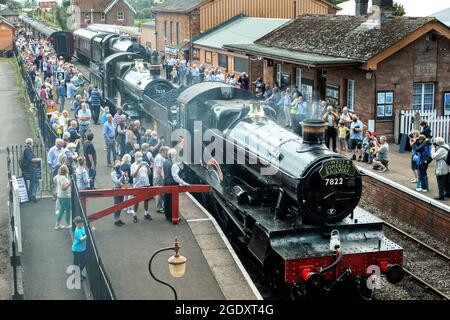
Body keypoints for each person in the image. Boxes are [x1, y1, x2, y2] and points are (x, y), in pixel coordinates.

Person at [163, 149, 189, 222]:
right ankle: (172, 217)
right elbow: (175, 177)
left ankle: (167, 216)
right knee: (172, 201)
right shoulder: (174, 165)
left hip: (166, 183)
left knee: (167, 200)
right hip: (172, 184)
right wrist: (184, 183)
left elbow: (163, 173)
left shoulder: (165, 162)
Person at [130, 151, 153, 223]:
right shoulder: (133, 165)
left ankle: (146, 213)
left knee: (146, 200)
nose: (140, 158)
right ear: (136, 157)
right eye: (139, 156)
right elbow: (133, 175)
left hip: (146, 184)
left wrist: (148, 167)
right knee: (136, 201)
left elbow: (149, 174)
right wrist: (139, 167)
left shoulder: (144, 163)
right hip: (137, 185)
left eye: (141, 156)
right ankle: (134, 215)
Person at [22, 138, 41, 202]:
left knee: (34, 182)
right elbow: (31, 159)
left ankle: (31, 196)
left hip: (32, 168)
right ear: (30, 143)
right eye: (32, 143)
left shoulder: (26, 149)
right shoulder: (27, 150)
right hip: (32, 168)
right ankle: (32, 196)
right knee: (34, 182)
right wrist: (38, 159)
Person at [54, 164, 72, 230]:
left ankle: (57, 224)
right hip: (65, 196)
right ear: (65, 171)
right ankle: (68, 224)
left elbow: (54, 180)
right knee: (68, 210)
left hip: (60, 196)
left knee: (61, 210)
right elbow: (63, 188)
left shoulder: (58, 176)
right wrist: (69, 183)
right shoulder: (63, 178)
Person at [153, 146, 169, 213]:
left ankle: (161, 206)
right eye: (166, 152)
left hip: (157, 177)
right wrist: (162, 176)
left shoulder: (159, 156)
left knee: (160, 192)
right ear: (162, 151)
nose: (167, 154)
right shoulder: (159, 158)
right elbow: (158, 169)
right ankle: (159, 208)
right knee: (159, 192)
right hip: (159, 177)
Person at [111, 160, 126, 226]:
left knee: (120, 204)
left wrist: (125, 177)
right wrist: (122, 177)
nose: (119, 165)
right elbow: (116, 181)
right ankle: (116, 220)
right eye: (117, 164)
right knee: (117, 204)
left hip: (121, 189)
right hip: (116, 189)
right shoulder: (113, 173)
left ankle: (118, 218)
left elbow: (125, 180)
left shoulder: (121, 171)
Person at [71, 216, 87, 280]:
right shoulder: (77, 231)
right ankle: (77, 275)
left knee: (83, 261)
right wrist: (87, 235)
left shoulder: (82, 227)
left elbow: (86, 230)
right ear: (76, 224)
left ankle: (77, 272)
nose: (81, 224)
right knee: (77, 262)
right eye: (80, 223)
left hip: (82, 249)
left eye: (82, 222)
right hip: (77, 250)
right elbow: (81, 239)